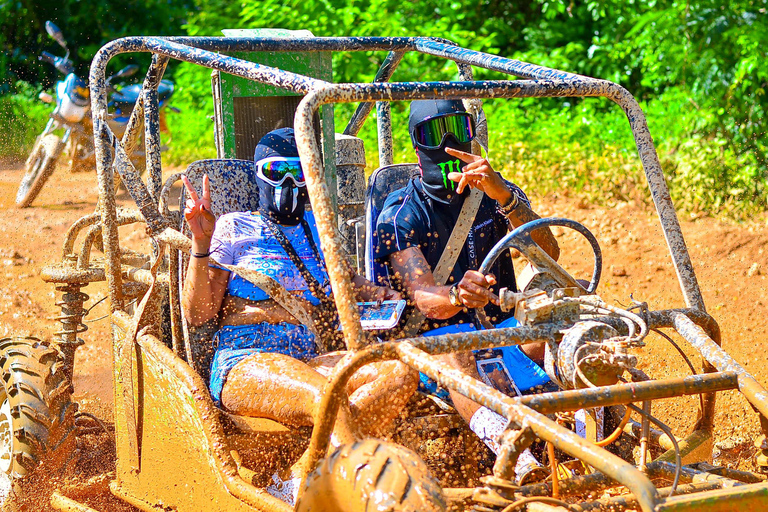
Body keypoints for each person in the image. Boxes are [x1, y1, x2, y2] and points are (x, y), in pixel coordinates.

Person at [181, 127, 417, 504]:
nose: (289, 182)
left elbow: (346, 278)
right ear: (260, 173)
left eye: (300, 172)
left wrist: (377, 293)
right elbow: (198, 314)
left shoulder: (318, 228)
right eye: (278, 172)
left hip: (309, 358)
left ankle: (297, 477)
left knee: (399, 374)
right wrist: (201, 243)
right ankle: (358, 492)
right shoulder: (234, 227)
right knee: (327, 396)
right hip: (246, 361)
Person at [375, 99, 560, 481]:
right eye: (434, 132)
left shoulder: (496, 194)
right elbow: (424, 296)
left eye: (457, 129)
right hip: (436, 346)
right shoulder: (401, 213)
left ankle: (590, 434)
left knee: (562, 327)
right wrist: (457, 295)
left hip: (504, 334)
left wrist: (505, 197)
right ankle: (516, 455)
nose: (447, 142)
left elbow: (550, 253)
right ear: (416, 144)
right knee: (457, 353)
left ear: (472, 133)